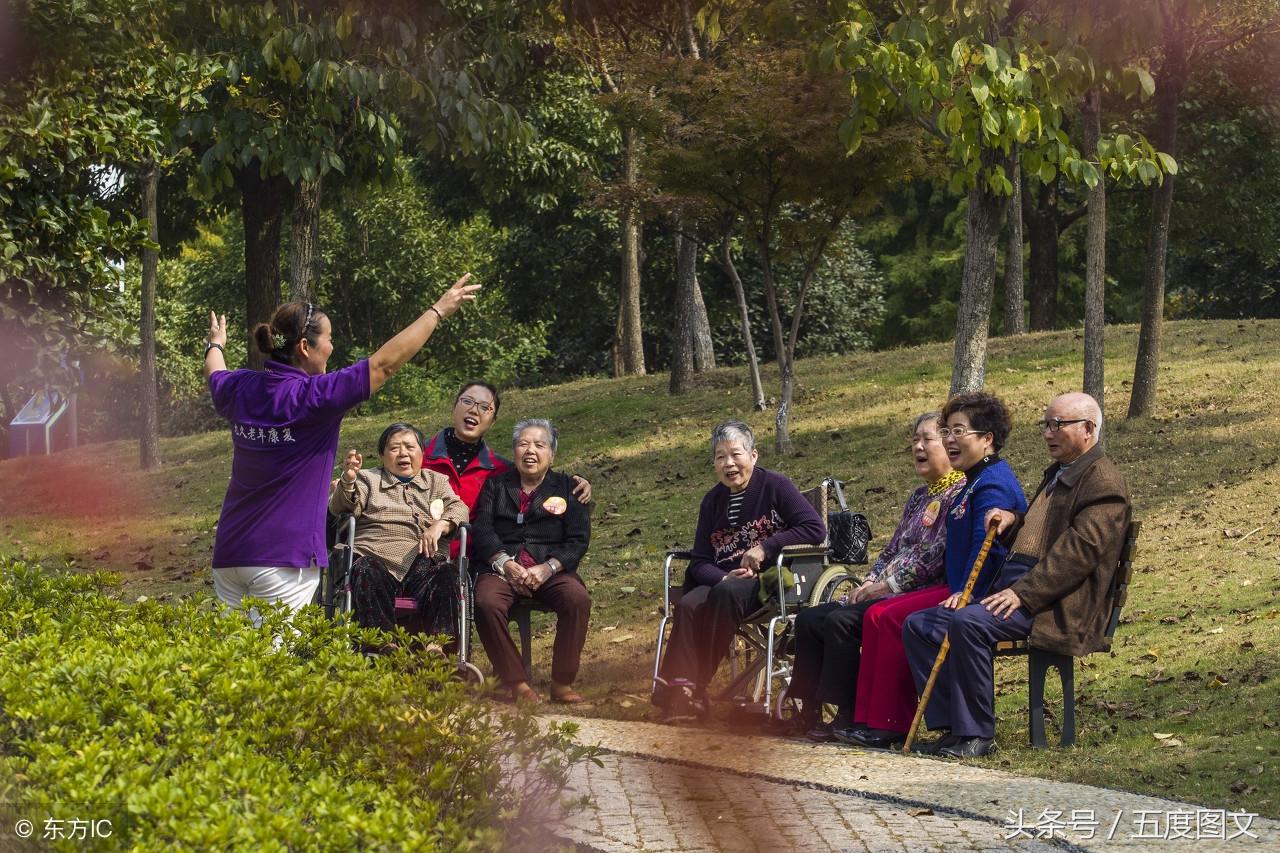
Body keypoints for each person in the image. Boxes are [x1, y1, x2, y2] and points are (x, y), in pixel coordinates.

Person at [204, 274, 479, 624]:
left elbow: (215, 371)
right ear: (305, 347)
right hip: (284, 559)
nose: (332, 347)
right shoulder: (314, 396)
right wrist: (438, 311)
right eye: (329, 339)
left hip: (230, 557)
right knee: (279, 668)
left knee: (233, 667)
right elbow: (384, 364)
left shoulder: (239, 387)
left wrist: (215, 344)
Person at [904, 392, 1131, 758]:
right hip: (1023, 591)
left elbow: (1078, 554)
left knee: (968, 623)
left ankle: (978, 735)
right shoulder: (1062, 472)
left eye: (1059, 425)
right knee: (919, 625)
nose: (1048, 433)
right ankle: (952, 729)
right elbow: (1040, 535)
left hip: (1056, 604)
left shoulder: (1102, 482)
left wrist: (1022, 594)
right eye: (1046, 424)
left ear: (1088, 430)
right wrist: (1011, 524)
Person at [843, 391, 1027, 750]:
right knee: (916, 624)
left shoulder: (991, 483)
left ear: (987, 439)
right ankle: (950, 727)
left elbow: (985, 547)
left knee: (918, 623)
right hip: (959, 588)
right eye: (947, 432)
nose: (949, 440)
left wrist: (969, 595)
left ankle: (968, 730)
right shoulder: (970, 482)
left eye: (959, 431)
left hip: (981, 595)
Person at [786, 412, 965, 741]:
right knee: (811, 618)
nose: (919, 447)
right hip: (885, 587)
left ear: (950, 445)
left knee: (840, 622)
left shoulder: (958, 495)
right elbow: (891, 548)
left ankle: (848, 712)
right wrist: (870, 581)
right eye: (914, 440)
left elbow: (935, 557)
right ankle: (808, 709)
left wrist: (885, 586)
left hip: (918, 591)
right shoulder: (918, 496)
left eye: (927, 439)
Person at [654, 421, 825, 724]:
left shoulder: (776, 486)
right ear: (714, 463)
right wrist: (722, 576)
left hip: (766, 582)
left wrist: (766, 547)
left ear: (754, 455)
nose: (729, 463)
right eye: (721, 457)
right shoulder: (712, 501)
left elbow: (814, 528)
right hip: (725, 582)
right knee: (689, 604)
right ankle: (679, 692)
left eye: (736, 454)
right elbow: (700, 560)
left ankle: (695, 686)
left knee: (724, 593)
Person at [471, 419, 592, 704]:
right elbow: (482, 529)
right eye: (523, 444)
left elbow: (578, 540)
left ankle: (562, 682)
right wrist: (505, 563)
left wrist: (548, 567)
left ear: (552, 454)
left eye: (540, 445)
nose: (530, 451)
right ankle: (517, 682)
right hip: (503, 568)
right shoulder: (496, 485)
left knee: (577, 599)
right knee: (486, 602)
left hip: (549, 569)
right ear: (514, 451)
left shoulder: (568, 487)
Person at [329, 422, 469, 644]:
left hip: (424, 561)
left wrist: (440, 525)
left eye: (410, 447)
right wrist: (348, 480)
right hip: (375, 556)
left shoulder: (436, 481)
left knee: (448, 574)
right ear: (382, 456)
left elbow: (460, 508)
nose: (403, 453)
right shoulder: (367, 479)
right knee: (365, 569)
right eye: (394, 448)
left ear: (422, 453)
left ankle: (439, 648)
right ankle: (382, 645)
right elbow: (342, 507)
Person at [420, 381, 591, 558]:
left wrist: (577, 482)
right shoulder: (417, 457)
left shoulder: (501, 470)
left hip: (474, 561)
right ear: (454, 407)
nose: (474, 410)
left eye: (485, 407)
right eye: (468, 401)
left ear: (492, 421)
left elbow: (540, 478)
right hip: (418, 553)